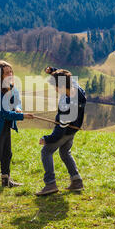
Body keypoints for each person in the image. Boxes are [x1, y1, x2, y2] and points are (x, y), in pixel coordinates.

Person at [0, 60, 34, 194]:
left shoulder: (12, 87)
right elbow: (4, 113)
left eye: (11, 72)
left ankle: (6, 180)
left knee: (7, 153)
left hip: (5, 125)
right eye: (6, 73)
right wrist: (23, 116)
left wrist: (18, 109)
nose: (10, 74)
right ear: (0, 75)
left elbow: (17, 102)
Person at [35, 67, 86, 196]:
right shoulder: (77, 89)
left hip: (65, 131)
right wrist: (54, 71)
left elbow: (59, 133)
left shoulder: (67, 107)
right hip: (73, 130)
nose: (56, 90)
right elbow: (69, 77)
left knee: (46, 151)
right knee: (64, 152)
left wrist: (47, 139)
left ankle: (50, 184)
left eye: (56, 87)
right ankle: (76, 181)